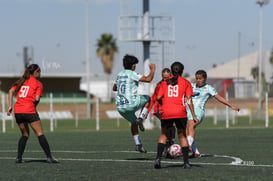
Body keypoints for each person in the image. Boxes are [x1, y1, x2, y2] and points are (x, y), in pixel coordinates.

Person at [7, 64, 59, 163]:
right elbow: (36, 99)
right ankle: (49, 157)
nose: (40, 73)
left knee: (25, 134)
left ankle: (19, 158)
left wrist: (10, 106)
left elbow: (10, 91)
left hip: (18, 111)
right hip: (29, 110)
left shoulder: (22, 81)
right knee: (40, 134)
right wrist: (33, 105)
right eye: (39, 71)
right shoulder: (38, 84)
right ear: (35, 72)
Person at [154, 62, 198, 169]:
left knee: (164, 135)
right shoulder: (186, 82)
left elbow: (158, 97)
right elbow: (189, 100)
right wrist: (193, 115)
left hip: (166, 112)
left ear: (171, 70)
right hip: (180, 112)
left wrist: (164, 105)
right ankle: (186, 163)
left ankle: (158, 159)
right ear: (182, 71)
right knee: (182, 135)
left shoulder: (164, 82)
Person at [186, 70, 240, 158]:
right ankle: (195, 152)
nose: (198, 80)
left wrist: (231, 106)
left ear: (205, 79)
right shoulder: (191, 86)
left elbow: (219, 98)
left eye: (200, 78)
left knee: (191, 124)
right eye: (197, 78)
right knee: (186, 130)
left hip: (198, 111)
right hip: (188, 110)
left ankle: (187, 146)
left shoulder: (208, 88)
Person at [112, 54, 155, 153]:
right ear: (132, 65)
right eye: (135, 64)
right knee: (148, 99)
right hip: (131, 103)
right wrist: (153, 69)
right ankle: (141, 118)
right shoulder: (132, 73)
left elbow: (114, 88)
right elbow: (148, 79)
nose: (135, 66)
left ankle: (138, 144)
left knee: (133, 123)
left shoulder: (119, 75)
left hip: (120, 107)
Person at [147, 68, 176, 157]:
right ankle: (168, 148)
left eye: (167, 77)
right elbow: (154, 99)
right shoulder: (159, 85)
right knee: (168, 127)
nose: (165, 79)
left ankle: (170, 146)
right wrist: (147, 112)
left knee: (172, 127)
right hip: (160, 110)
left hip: (170, 109)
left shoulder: (174, 84)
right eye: (164, 77)